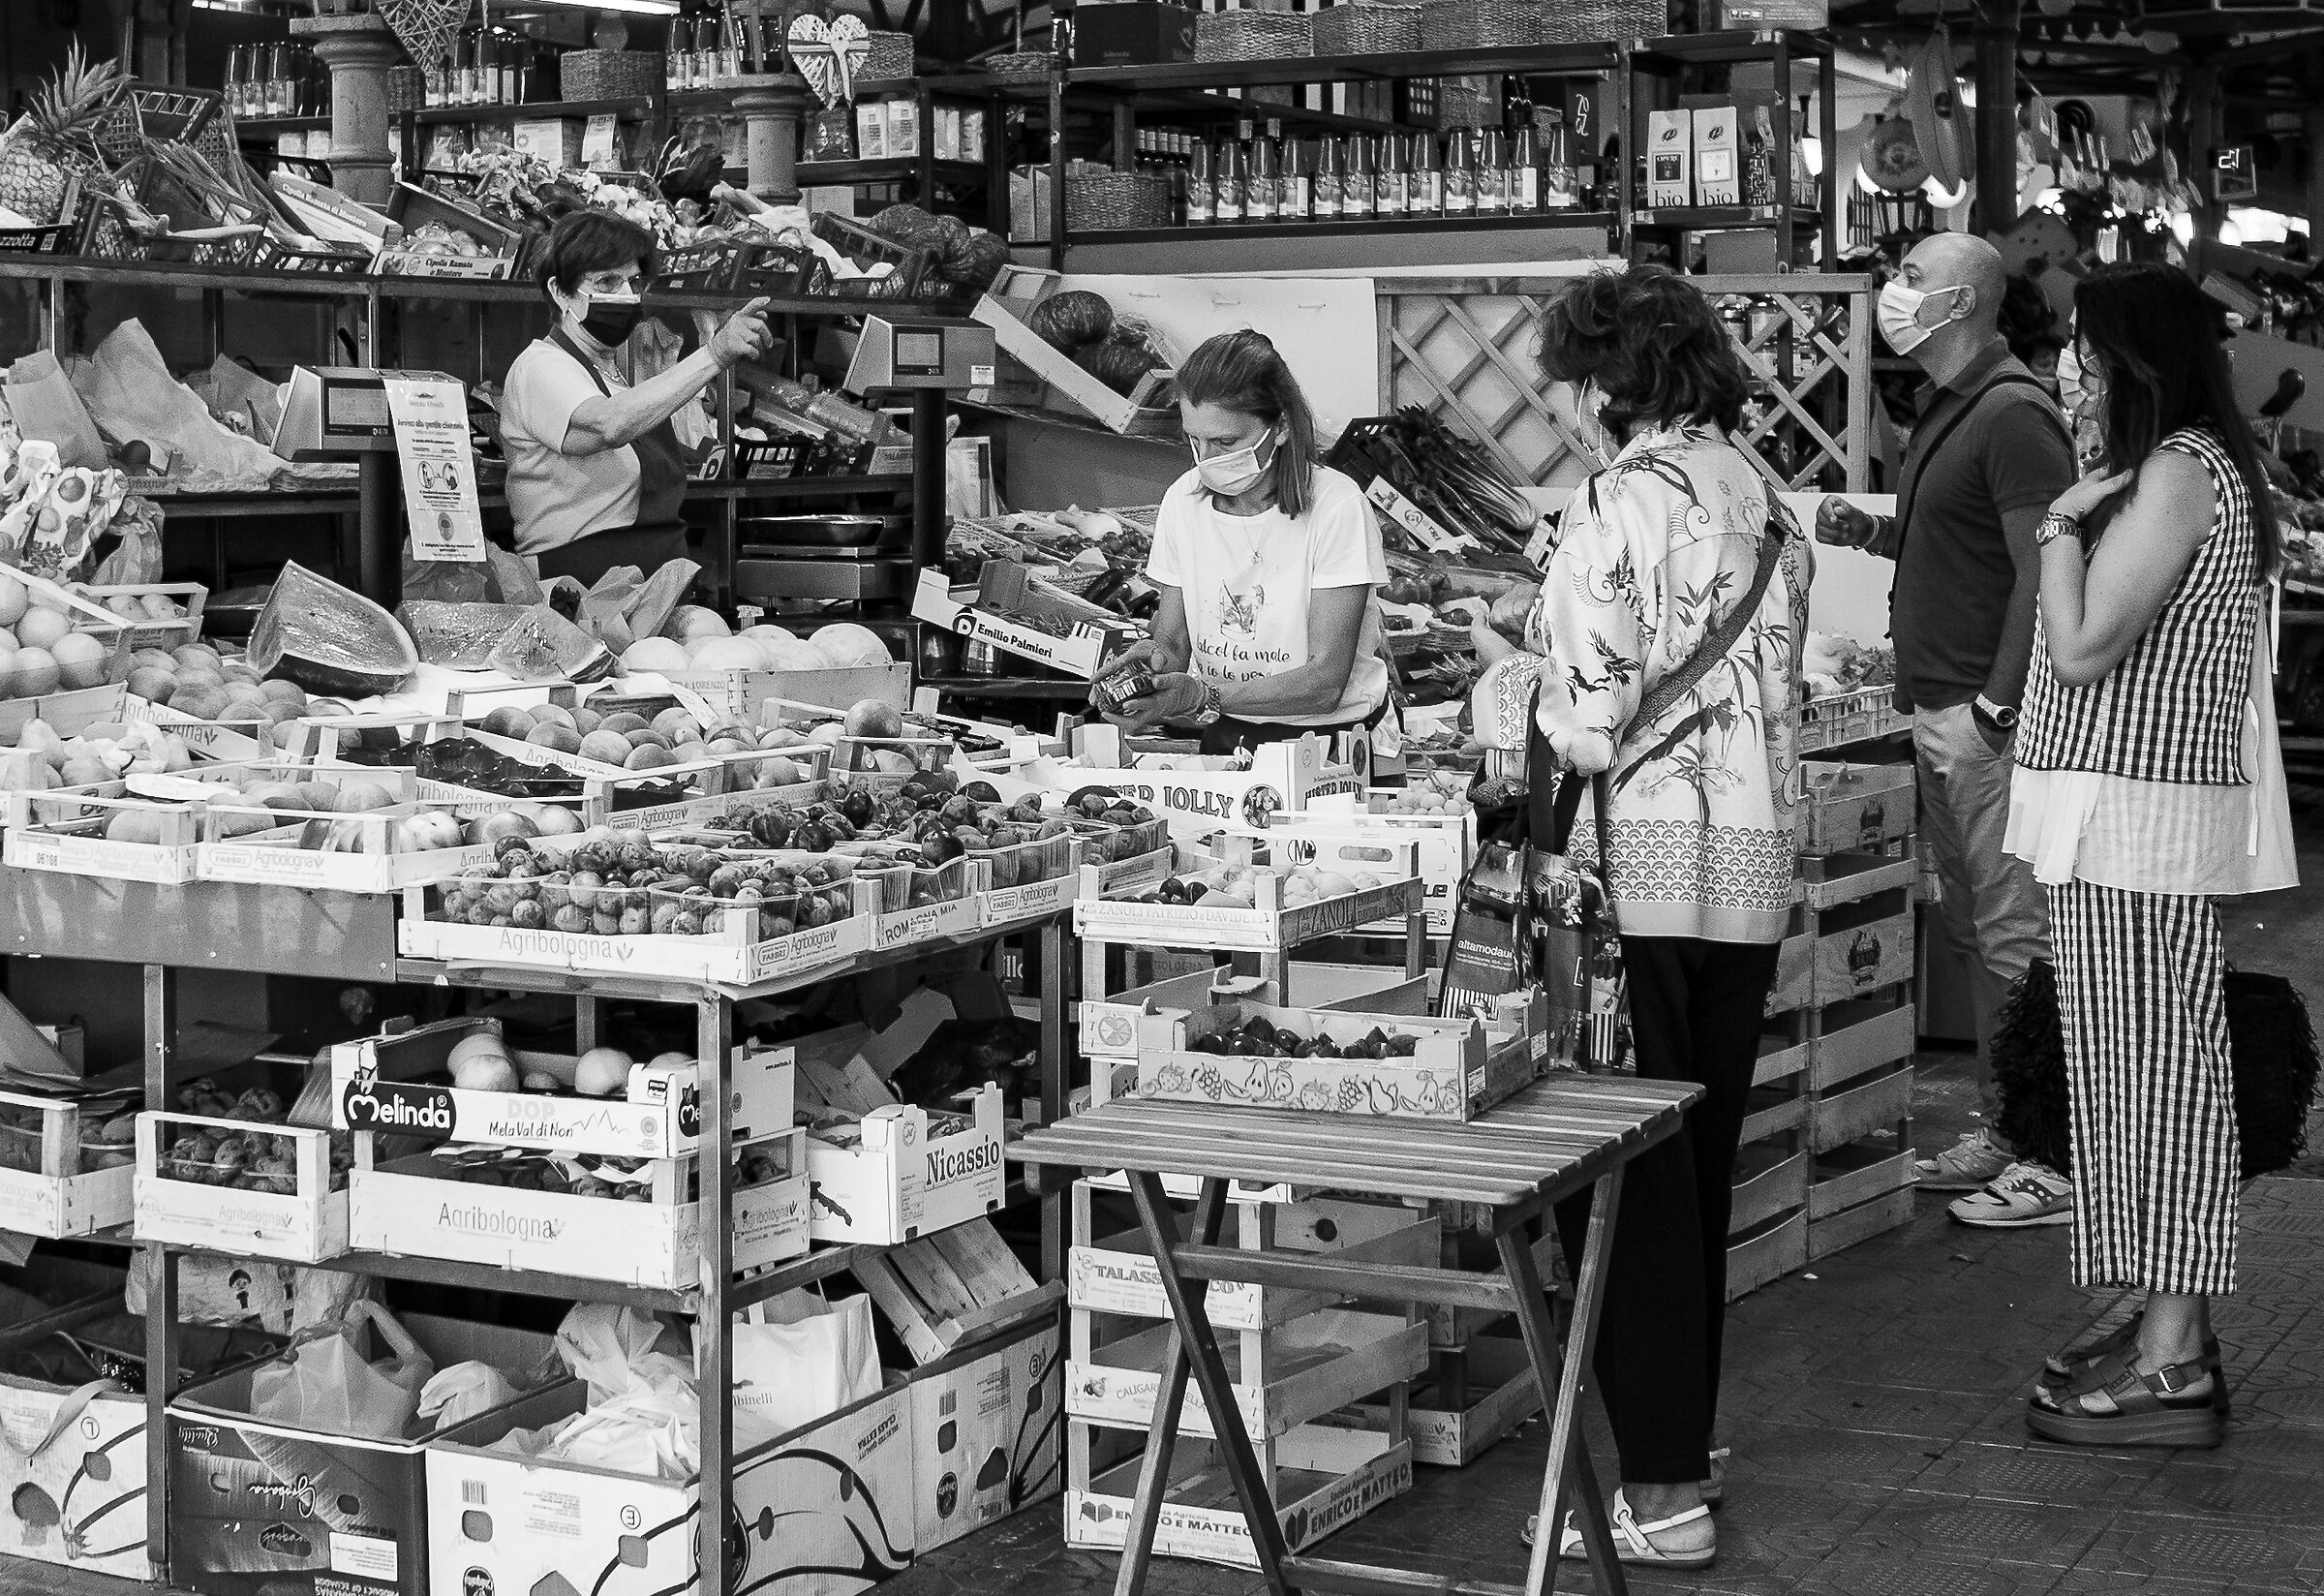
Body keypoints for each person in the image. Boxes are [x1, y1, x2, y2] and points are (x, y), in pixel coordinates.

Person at [1473, 265, 1811, 1570]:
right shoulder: (1762, 491)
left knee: (1619, 1179)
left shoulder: (1618, 499)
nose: (1561, 402)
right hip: (1746, 865)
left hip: (1632, 879)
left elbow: (1587, 717)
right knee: (1692, 1165)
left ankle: (1662, 1488)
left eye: (1567, 377)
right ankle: (1678, 1445)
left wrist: (1509, 680)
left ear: (1609, 381)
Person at [2009, 263, 2295, 1447]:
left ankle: (2173, 1357)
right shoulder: (2187, 466)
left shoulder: (2178, 472)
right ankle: (2167, 1325)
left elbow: (2081, 647)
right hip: (2123, 818)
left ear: (2133, 359)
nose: (2070, 367)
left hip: (2137, 821)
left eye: (2084, 349)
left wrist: (2060, 526)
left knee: (2160, 1083)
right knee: (2135, 1079)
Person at [1816, 234, 2080, 1225]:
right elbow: (1965, 546)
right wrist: (1875, 534)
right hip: (1940, 706)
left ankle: (2051, 1154)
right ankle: (2008, 1127)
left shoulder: (2014, 415)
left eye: (1913, 279)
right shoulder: (1951, 406)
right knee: (1974, 932)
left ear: (1963, 302)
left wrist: (1997, 708)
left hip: (1985, 717)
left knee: (2013, 934)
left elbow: (2042, 574)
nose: (1895, 292)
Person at [1087, 329, 1389, 755]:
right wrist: (1149, 667)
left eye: (1225, 442)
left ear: (1280, 427)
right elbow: (1173, 640)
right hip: (1230, 733)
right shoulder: (1183, 500)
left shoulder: (1336, 507)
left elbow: (1324, 683)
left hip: (1332, 745)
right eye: (1195, 440)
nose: (1207, 459)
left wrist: (1201, 695)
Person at [500, 209, 774, 586]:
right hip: (577, 586)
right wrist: (714, 354)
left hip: (650, 579)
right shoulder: (540, 366)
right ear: (560, 292)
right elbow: (608, 425)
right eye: (607, 282)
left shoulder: (619, 381)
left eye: (634, 282)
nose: (627, 296)